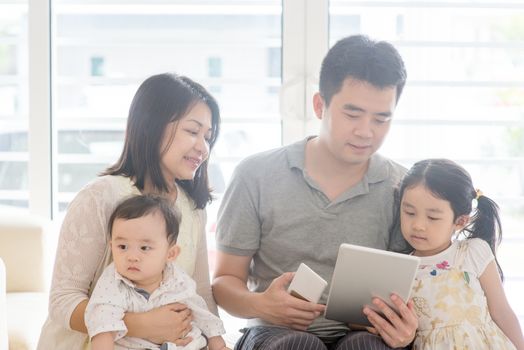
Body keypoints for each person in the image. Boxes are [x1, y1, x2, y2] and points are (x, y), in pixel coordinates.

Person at [213, 34, 418, 350]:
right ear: (319, 105)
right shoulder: (256, 174)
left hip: (362, 335)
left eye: (381, 119)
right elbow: (225, 280)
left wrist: (404, 330)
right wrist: (261, 305)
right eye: (352, 114)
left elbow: (414, 288)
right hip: (275, 333)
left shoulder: (402, 188)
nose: (366, 131)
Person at [38, 73, 221, 349]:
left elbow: (202, 295)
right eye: (192, 132)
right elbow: (62, 300)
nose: (203, 148)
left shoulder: (193, 209)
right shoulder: (101, 197)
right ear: (152, 126)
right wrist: (141, 324)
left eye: (207, 137)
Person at [396, 158, 524, 350]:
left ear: (460, 221)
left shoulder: (473, 252)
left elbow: (502, 312)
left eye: (432, 217)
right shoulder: (399, 267)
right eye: (409, 212)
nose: (418, 225)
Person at [85, 194, 227, 350]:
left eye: (144, 248)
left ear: (170, 254)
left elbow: (200, 311)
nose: (132, 257)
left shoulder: (177, 279)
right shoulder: (112, 284)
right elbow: (102, 325)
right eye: (122, 247)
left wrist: (218, 345)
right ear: (112, 246)